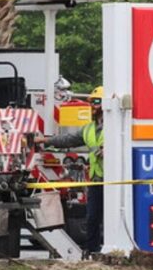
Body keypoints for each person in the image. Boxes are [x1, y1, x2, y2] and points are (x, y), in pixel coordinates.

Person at [35, 85, 105, 256]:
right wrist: (45, 140)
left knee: (111, 218)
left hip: (115, 181)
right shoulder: (88, 128)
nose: (92, 106)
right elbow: (68, 139)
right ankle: (92, 251)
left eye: (96, 102)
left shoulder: (117, 127)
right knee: (92, 217)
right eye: (91, 102)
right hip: (97, 180)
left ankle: (112, 249)